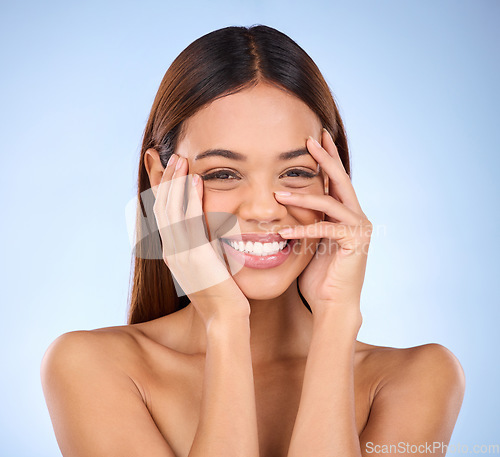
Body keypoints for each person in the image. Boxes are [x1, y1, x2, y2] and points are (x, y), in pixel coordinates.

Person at [40, 25, 465, 457]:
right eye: (223, 174)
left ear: (332, 182)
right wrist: (224, 322)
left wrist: (336, 318)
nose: (264, 210)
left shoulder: (417, 378)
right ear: (159, 181)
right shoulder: (91, 368)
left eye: (296, 172)